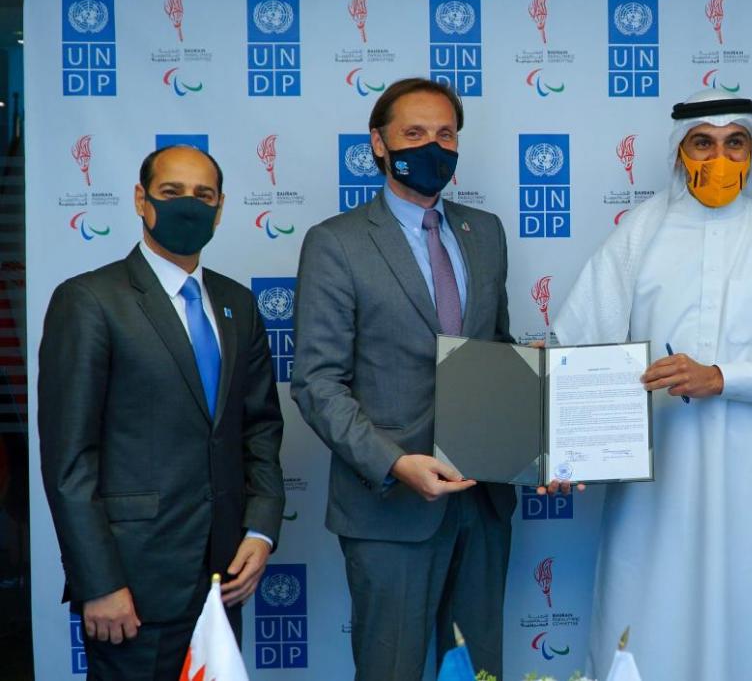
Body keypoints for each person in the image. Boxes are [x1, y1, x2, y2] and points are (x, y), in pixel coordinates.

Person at [554, 89, 752, 681]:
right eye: (702, 143)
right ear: (679, 152)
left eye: (735, 143)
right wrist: (557, 438)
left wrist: (722, 377)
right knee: (650, 626)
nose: (719, 156)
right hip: (660, 484)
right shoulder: (641, 231)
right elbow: (578, 345)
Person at [291, 78, 516, 681]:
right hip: (390, 508)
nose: (432, 146)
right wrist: (395, 463)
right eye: (414, 133)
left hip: (483, 499)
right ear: (379, 144)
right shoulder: (335, 243)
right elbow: (317, 382)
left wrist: (541, 438)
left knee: (477, 670)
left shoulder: (485, 232)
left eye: (445, 134)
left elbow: (500, 351)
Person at [39, 145, 285, 680]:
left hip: (223, 581)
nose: (188, 206)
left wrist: (261, 531)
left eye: (204, 195)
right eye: (172, 192)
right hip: (131, 586)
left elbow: (260, 427)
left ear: (220, 210)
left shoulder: (238, 305)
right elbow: (69, 460)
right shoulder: (89, 301)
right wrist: (97, 582)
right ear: (141, 200)